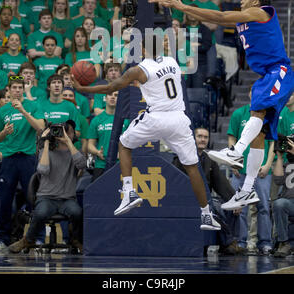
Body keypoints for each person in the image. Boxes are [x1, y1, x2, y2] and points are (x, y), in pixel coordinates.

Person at [150, 0, 294, 210]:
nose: (242, 1)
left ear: (255, 2)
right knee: (260, 134)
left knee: (257, 113)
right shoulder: (247, 19)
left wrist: (184, 7)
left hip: (278, 71)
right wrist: (189, 11)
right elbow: (214, 18)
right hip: (267, 75)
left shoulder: (262, 11)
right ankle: (246, 191)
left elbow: (221, 17)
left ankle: (236, 152)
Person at [71, 36, 221, 230]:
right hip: (179, 119)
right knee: (193, 168)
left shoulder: (139, 69)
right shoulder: (172, 61)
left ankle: (129, 192)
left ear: (142, 49)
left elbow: (111, 87)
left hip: (157, 118)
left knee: (124, 144)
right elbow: (160, 83)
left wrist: (82, 87)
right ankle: (206, 214)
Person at [8, 121, 86, 254]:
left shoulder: (74, 152)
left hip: (67, 199)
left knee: (77, 212)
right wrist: (45, 142)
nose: (65, 134)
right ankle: (28, 240)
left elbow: (82, 165)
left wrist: (68, 142)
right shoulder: (46, 151)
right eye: (63, 131)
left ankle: (76, 239)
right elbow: (43, 170)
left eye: (69, 132)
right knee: (40, 213)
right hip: (46, 197)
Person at [173, 127, 243, 255]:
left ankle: (230, 243)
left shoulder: (209, 159)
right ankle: (229, 242)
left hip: (208, 198)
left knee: (230, 207)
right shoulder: (181, 158)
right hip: (188, 200)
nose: (202, 139)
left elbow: (221, 183)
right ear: (193, 139)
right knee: (215, 207)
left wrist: (234, 199)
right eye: (199, 136)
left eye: (205, 137)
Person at [227, 86, 275, 254]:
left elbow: (272, 142)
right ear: (249, 94)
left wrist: (268, 163)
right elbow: (232, 137)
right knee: (239, 207)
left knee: (263, 207)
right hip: (242, 168)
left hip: (261, 169)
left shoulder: (269, 113)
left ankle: (265, 243)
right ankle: (240, 242)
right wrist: (234, 160)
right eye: (253, 92)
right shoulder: (239, 113)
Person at [0, 75, 39, 250]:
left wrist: (23, 111)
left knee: (33, 200)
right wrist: (4, 133)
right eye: (14, 88)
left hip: (28, 158)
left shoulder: (33, 106)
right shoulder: (2, 111)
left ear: (23, 89)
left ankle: (36, 238)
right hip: (9, 158)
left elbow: (40, 127)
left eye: (20, 88)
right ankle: (2, 238)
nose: (17, 90)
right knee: (5, 200)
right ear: (9, 90)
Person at [271, 137, 294, 258]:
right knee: (279, 203)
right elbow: (277, 180)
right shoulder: (286, 164)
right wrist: (279, 157)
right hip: (289, 203)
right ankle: (284, 243)